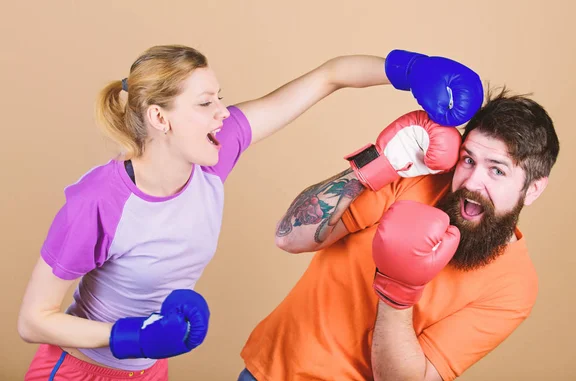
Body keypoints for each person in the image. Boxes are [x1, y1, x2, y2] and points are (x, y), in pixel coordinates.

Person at [17, 44, 484, 381]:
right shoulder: (99, 202)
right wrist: (131, 338)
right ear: (161, 119)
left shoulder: (216, 151)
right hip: (78, 369)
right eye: (205, 104)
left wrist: (410, 68)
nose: (222, 113)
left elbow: (329, 75)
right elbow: (33, 321)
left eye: (220, 97)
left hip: (150, 369)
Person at [238, 86, 560, 381]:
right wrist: (380, 161)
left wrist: (399, 290)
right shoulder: (417, 177)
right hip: (271, 370)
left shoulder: (514, 287)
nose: (473, 182)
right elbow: (289, 236)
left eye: (497, 170)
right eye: (468, 160)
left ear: (533, 189)